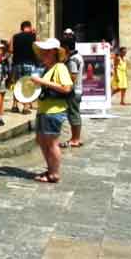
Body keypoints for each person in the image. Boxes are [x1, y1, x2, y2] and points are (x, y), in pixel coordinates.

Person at [31, 39, 73, 183]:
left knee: (51, 143)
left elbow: (66, 88)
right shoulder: (47, 68)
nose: (43, 54)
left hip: (54, 111)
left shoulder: (60, 67)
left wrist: (42, 81)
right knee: (42, 141)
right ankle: (50, 169)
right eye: (42, 51)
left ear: (54, 52)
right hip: (44, 109)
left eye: (46, 51)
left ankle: (54, 173)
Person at [10, 21, 40, 114]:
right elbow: (38, 48)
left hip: (17, 64)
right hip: (29, 64)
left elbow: (10, 49)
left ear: (21, 28)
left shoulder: (15, 36)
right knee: (28, 85)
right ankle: (26, 107)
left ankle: (14, 105)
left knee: (16, 85)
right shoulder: (33, 36)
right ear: (30, 27)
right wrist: (35, 35)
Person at [61, 34, 84, 149]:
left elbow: (73, 76)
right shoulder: (78, 56)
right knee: (75, 114)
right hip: (78, 90)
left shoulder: (73, 59)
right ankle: (76, 138)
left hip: (74, 91)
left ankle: (75, 139)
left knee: (73, 115)